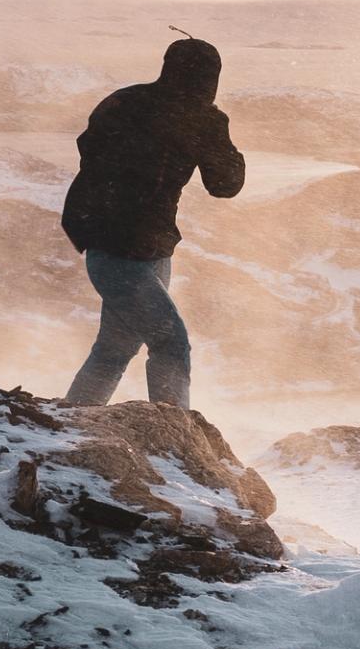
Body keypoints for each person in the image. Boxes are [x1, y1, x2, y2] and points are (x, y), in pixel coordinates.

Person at [58, 36, 247, 406]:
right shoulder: (201, 119)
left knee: (114, 348)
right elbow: (225, 184)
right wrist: (219, 140)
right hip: (129, 251)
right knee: (170, 343)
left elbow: (88, 149)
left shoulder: (123, 101)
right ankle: (175, 437)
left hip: (119, 243)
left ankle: (76, 421)